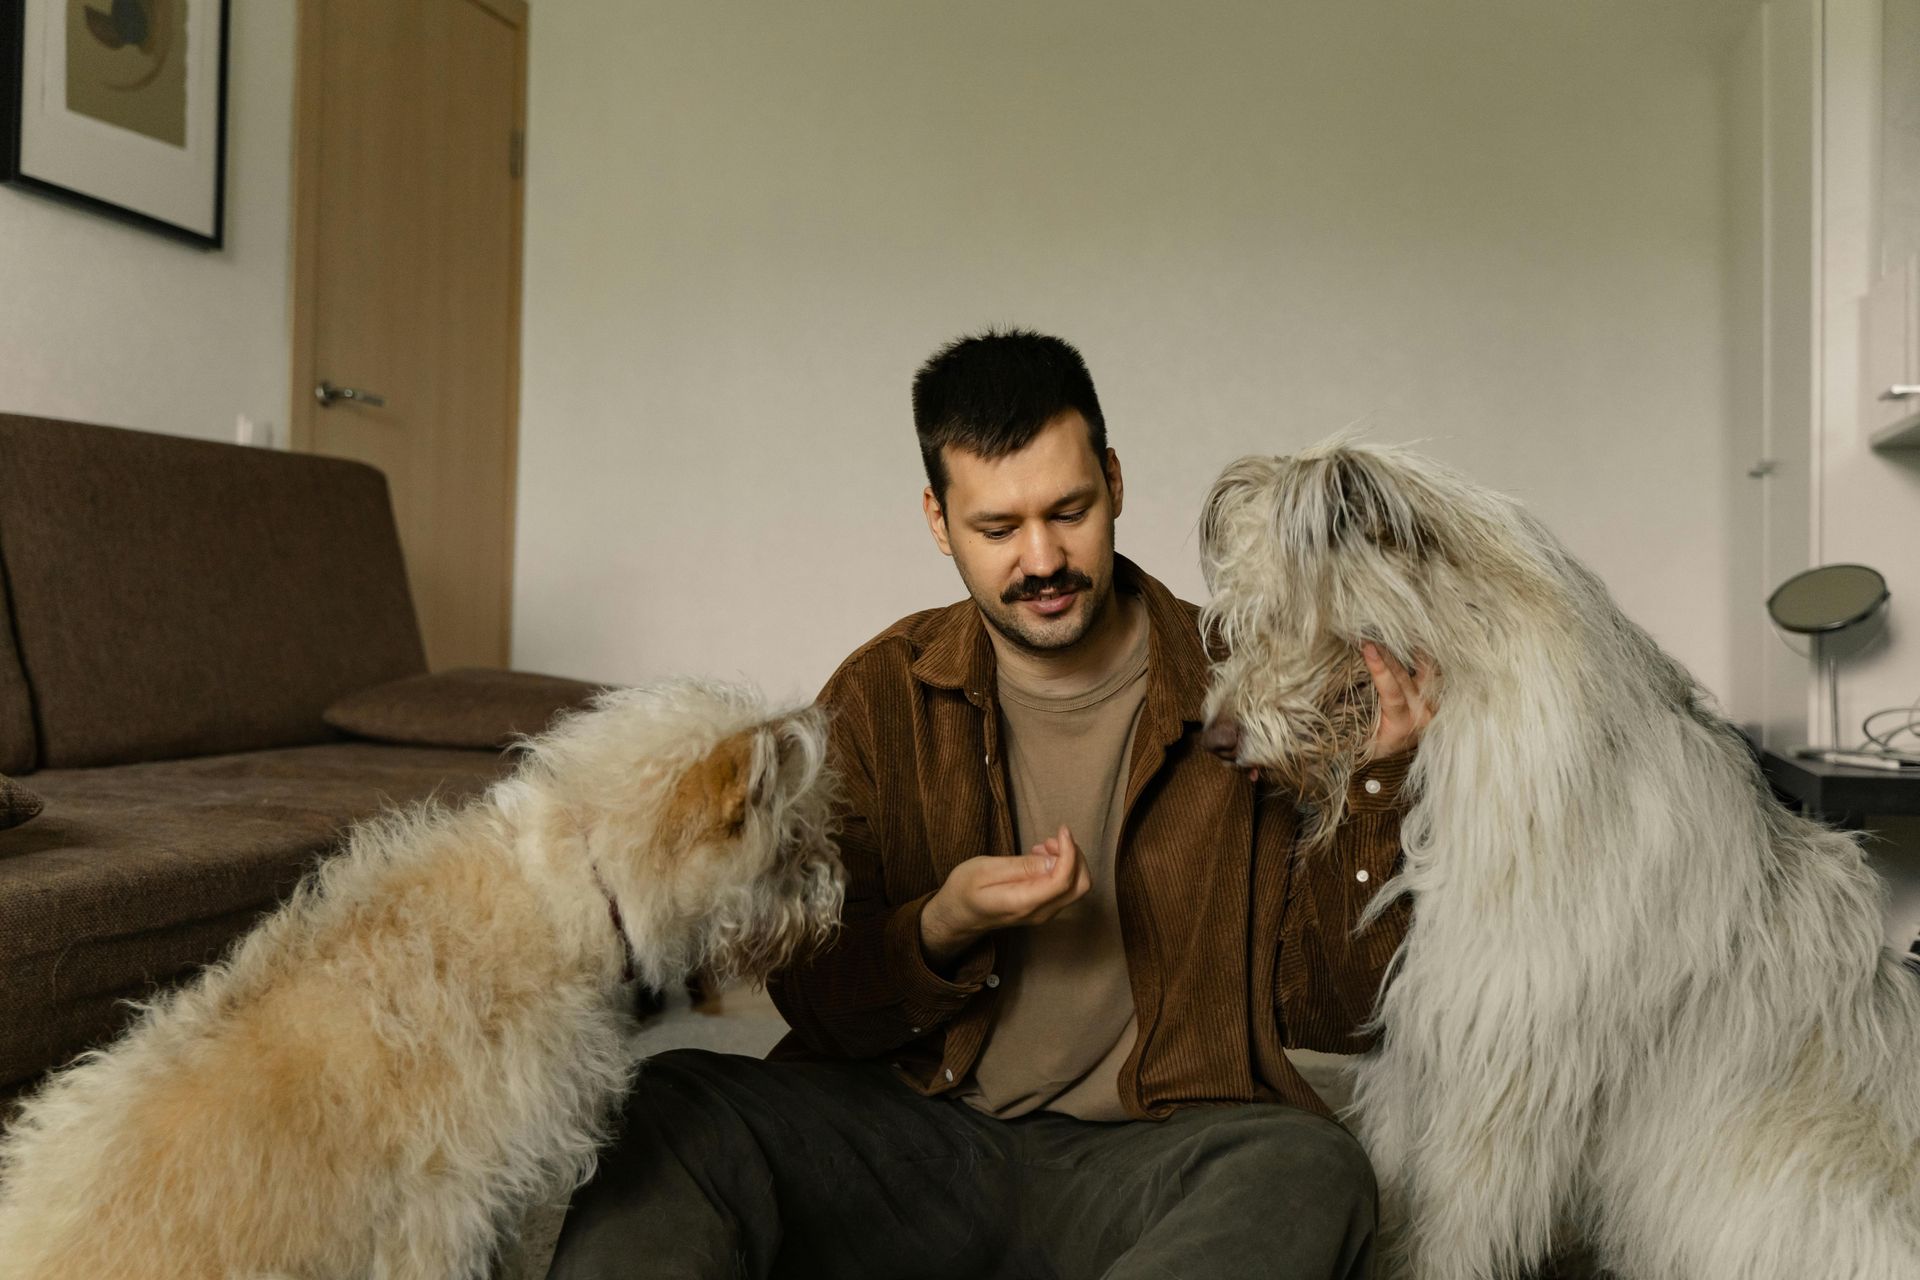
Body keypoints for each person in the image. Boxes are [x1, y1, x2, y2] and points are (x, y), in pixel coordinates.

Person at [546, 329, 1430, 1280]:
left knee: (1310, 1167)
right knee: (676, 1102)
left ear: (1117, 483)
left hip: (1153, 1151)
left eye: (1070, 511)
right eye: (998, 529)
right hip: (923, 1140)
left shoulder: (1252, 686)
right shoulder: (883, 689)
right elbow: (817, 999)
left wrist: (1380, 787)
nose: (1043, 559)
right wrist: (941, 925)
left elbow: (1345, 1017)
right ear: (939, 520)